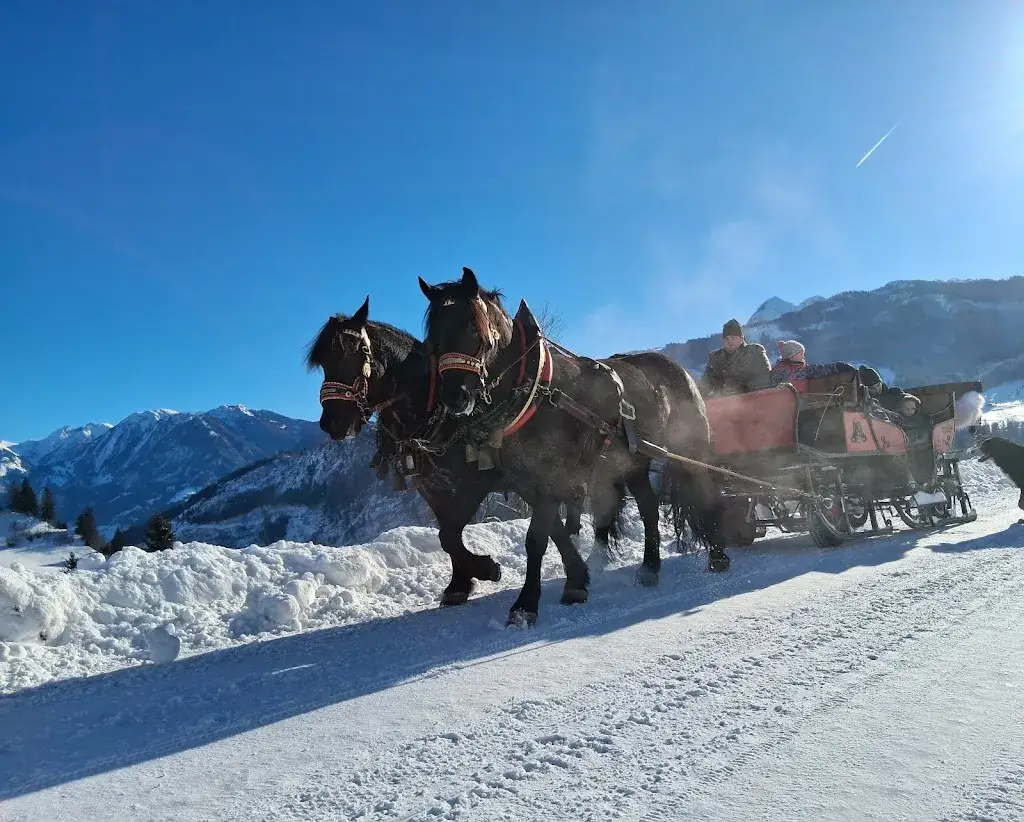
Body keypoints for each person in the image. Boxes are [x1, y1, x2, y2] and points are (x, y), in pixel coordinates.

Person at [698, 319, 772, 397]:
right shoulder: (715, 357)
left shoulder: (754, 351)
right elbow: (706, 382)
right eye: (726, 339)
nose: (729, 342)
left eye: (733, 338)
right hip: (721, 403)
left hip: (751, 400)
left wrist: (741, 390)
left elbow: (763, 377)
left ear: (741, 338)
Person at [769, 340, 857, 393]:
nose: (803, 357)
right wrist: (837, 367)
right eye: (801, 354)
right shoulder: (802, 370)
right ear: (792, 355)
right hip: (797, 404)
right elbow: (821, 370)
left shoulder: (776, 370)